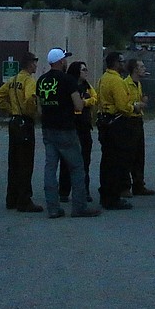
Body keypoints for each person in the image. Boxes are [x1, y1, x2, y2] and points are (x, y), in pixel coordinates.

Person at [37, 48, 100, 218]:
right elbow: (78, 106)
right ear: (61, 61)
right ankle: (79, 207)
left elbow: (39, 107)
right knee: (77, 167)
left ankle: (53, 208)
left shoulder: (41, 80)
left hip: (47, 128)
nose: (65, 61)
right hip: (65, 128)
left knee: (50, 168)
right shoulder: (68, 80)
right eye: (64, 59)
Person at [0, 51, 43, 213]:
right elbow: (30, 98)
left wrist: (12, 109)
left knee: (13, 162)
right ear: (29, 63)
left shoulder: (13, 80)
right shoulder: (29, 80)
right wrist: (32, 111)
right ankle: (24, 200)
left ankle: (11, 198)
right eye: (35, 62)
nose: (36, 64)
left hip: (14, 122)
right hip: (24, 123)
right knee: (26, 163)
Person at [96, 51, 134, 210]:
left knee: (106, 161)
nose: (124, 64)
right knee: (117, 162)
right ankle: (113, 197)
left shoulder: (103, 79)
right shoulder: (117, 81)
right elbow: (122, 106)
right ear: (115, 63)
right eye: (121, 61)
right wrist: (134, 107)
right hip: (116, 123)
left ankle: (105, 194)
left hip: (104, 122)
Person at [57, 61, 96, 203]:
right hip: (71, 125)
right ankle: (64, 191)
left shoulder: (87, 86)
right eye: (83, 70)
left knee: (85, 160)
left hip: (84, 126)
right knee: (67, 160)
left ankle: (83, 190)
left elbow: (94, 98)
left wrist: (85, 102)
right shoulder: (69, 84)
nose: (86, 72)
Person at [123, 57, 155, 197]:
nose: (144, 69)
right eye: (141, 67)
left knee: (139, 154)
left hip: (138, 120)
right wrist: (138, 105)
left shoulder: (138, 84)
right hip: (129, 121)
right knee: (128, 155)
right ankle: (125, 186)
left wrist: (142, 102)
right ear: (135, 69)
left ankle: (138, 184)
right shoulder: (125, 84)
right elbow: (125, 103)